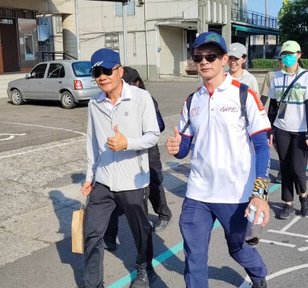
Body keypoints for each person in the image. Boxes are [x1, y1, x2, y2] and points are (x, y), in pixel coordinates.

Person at [166, 32, 271, 288]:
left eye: (211, 56)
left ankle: (258, 275)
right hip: (198, 194)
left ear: (224, 59)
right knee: (194, 258)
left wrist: (260, 193)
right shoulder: (192, 100)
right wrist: (177, 149)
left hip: (236, 194)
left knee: (239, 250)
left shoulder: (244, 95)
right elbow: (185, 148)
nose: (204, 61)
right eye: (198, 57)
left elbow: (261, 146)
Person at [80, 48, 160, 288]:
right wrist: (89, 176)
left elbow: (153, 135)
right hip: (103, 180)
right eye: (96, 72)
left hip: (132, 180)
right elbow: (92, 142)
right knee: (92, 234)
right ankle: (93, 283)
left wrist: (128, 143)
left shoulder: (139, 97)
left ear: (120, 71)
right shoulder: (95, 103)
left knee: (140, 231)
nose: (102, 76)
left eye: (106, 70)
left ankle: (145, 269)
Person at [103, 67, 172, 251]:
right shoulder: (112, 100)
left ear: (136, 83)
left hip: (146, 150)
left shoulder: (145, 99)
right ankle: (109, 236)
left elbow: (159, 126)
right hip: (122, 152)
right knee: (114, 193)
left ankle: (163, 214)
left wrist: (136, 131)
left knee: (154, 184)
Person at [267, 40, 308, 220]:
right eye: (284, 55)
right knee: (285, 167)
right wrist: (270, 129)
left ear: (299, 55)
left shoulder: (307, 77)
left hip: (300, 130)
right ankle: (287, 204)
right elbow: (273, 106)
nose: (287, 58)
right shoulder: (276, 77)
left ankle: (303, 196)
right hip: (281, 128)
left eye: (291, 54)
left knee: (298, 169)